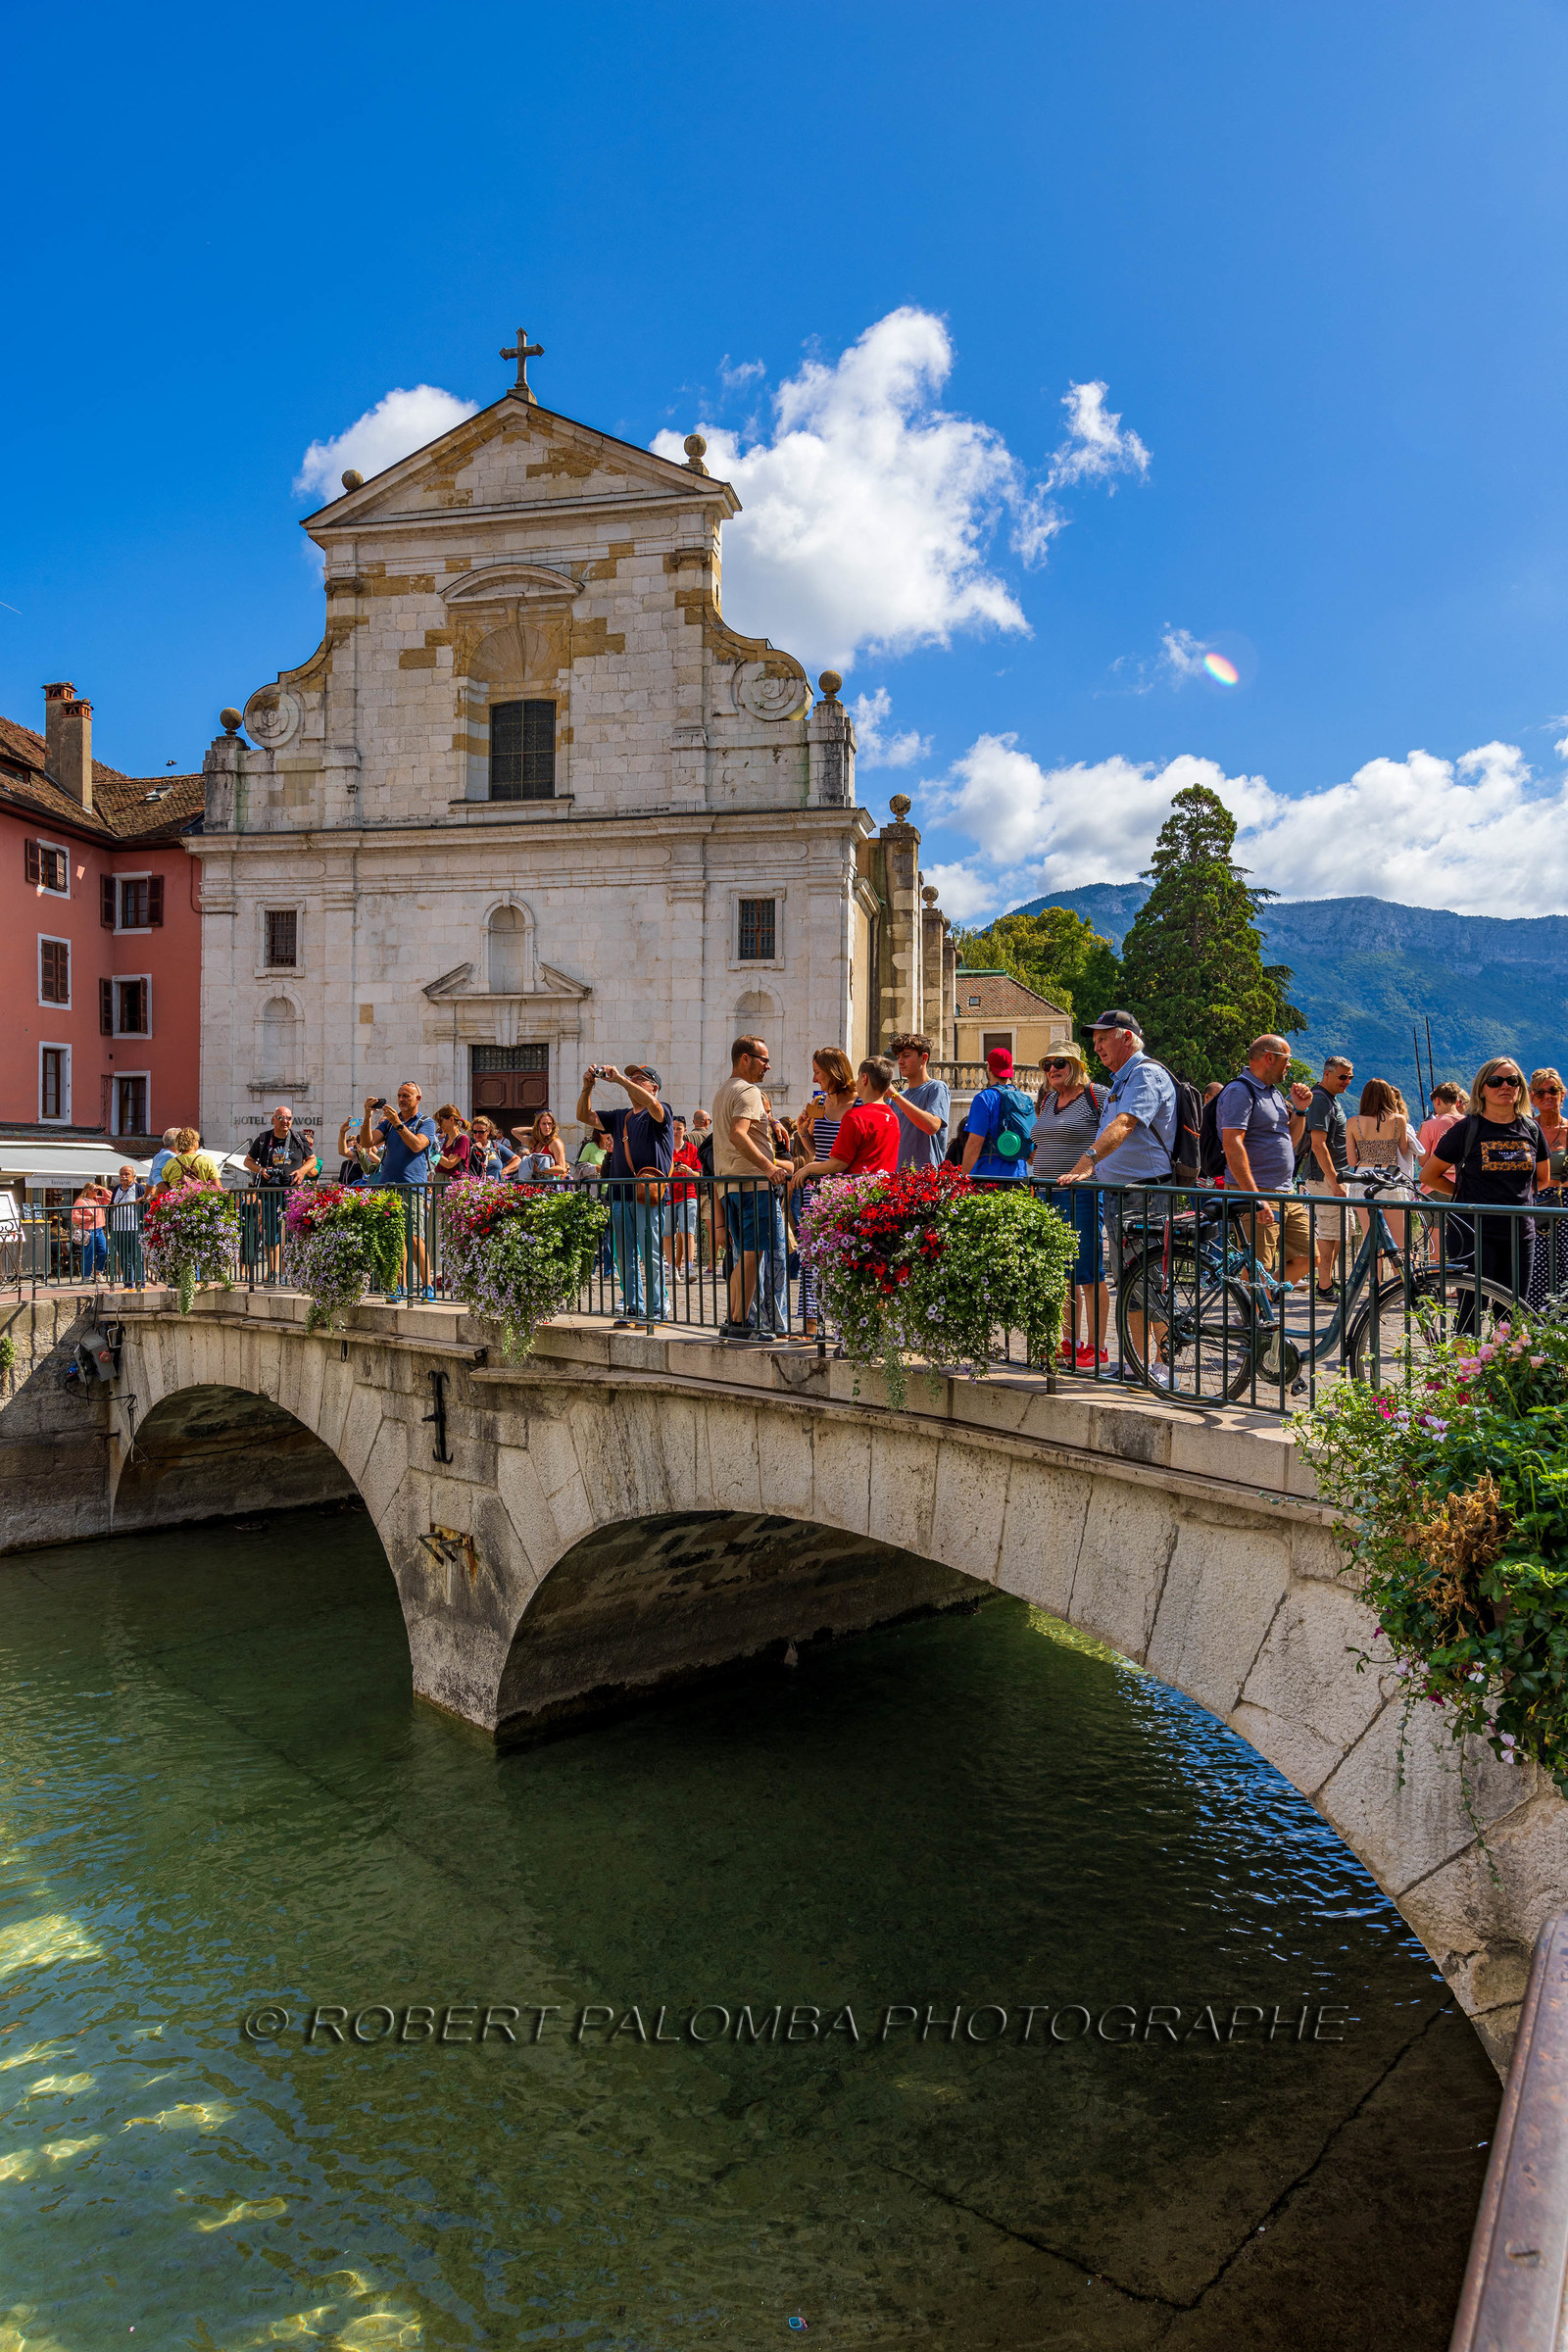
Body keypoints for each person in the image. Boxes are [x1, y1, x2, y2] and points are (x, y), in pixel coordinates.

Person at [1056, 1010, 1179, 1384]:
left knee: (1151, 1279)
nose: (1096, 1047)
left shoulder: (1145, 1074)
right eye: (1094, 1041)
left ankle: (1163, 1368)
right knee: (1130, 1283)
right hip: (1120, 1194)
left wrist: (1087, 1162)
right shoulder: (1119, 1080)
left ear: (1127, 1037)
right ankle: (1135, 1365)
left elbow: (1125, 1124)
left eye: (1103, 1038)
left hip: (1146, 1192)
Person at [1422, 1056, 1547, 1325]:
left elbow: (1543, 1178)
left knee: (1514, 1316)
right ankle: (1464, 1367)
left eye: (1512, 1081)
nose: (1505, 1086)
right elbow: (1429, 1174)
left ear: (1521, 1088)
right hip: (1473, 1233)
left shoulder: (1531, 1129)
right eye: (1495, 1081)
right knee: (1470, 1314)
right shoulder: (1467, 1128)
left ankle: (1507, 1367)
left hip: (1520, 1234)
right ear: (1482, 1088)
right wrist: (1464, 1193)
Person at [1031, 1045, 1110, 1369]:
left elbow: (1118, 1132)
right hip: (1047, 1194)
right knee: (1062, 1274)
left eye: (1059, 1063)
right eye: (1047, 1064)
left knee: (1089, 1271)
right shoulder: (1049, 1100)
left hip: (1083, 1193)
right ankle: (1069, 1341)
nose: (1052, 1069)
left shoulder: (1097, 1095)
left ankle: (1098, 1348)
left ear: (1076, 1065)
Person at [576, 1061, 673, 1327]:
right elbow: (584, 1116)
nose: (633, 1082)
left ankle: (656, 1308)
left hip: (647, 1194)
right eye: (631, 1078)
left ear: (654, 1087)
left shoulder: (662, 1110)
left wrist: (619, 1079)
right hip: (620, 1195)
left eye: (639, 1079)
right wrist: (587, 1088)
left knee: (651, 1252)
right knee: (624, 1255)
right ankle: (633, 1306)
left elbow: (653, 1107)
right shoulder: (621, 1116)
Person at [1214, 1038, 1314, 1290]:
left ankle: (1260, 1309)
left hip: (1284, 1191)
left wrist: (1300, 1111)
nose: (1289, 1066)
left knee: (1308, 1257)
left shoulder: (1273, 1093)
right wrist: (1254, 1197)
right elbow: (1232, 1144)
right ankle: (1253, 1321)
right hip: (1256, 1190)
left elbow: (1288, 1141)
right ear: (1270, 1057)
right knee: (1259, 1266)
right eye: (1286, 1060)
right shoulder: (1240, 1091)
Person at [710, 1035, 789, 1340]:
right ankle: (740, 1323)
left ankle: (735, 1322)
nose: (768, 1066)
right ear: (745, 1058)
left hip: (731, 1186)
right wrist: (769, 1167)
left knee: (746, 1256)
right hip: (752, 1186)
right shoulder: (748, 1091)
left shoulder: (723, 1092)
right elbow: (737, 1134)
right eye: (763, 1060)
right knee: (752, 1256)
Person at [794, 1050, 858, 1337]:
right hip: (816, 1190)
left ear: (833, 1071)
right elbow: (818, 1152)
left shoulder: (859, 1104)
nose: (813, 1078)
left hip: (845, 1191)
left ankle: (846, 1327)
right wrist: (803, 1132)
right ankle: (810, 1327)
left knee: (844, 1259)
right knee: (810, 1260)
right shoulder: (819, 1102)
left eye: (817, 1072)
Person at [360, 1084, 438, 1300]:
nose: (401, 1099)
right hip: (388, 1187)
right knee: (395, 1239)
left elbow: (417, 1146)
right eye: (399, 1096)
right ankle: (399, 1286)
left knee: (414, 1237)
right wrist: (367, 1116)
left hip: (412, 1187)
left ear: (418, 1098)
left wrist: (398, 1124)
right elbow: (366, 1142)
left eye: (406, 1095)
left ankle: (427, 1286)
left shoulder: (426, 1123)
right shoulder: (387, 1125)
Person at [792, 1056, 901, 1192]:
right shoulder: (892, 1117)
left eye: (858, 1077)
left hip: (856, 1196)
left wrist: (808, 1168)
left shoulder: (855, 1116)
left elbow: (839, 1163)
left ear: (864, 1078)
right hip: (883, 1195)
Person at [1345, 1079, 1420, 1258]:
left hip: (1364, 1179)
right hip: (1390, 1179)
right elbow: (1402, 1150)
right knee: (1399, 1243)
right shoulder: (1399, 1120)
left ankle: (1374, 1285)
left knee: (1371, 1243)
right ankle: (1403, 1284)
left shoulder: (1353, 1122)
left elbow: (1352, 1160)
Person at [1301, 1055, 1354, 1296]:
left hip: (1335, 1178)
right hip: (1326, 1179)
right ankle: (1324, 1286)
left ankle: (1327, 1283)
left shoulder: (1330, 1099)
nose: (1347, 1082)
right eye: (1343, 1077)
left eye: (1350, 1077)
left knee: (1338, 1234)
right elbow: (1318, 1145)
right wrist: (1334, 1182)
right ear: (1327, 1074)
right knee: (1330, 1233)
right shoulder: (1321, 1101)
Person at [245, 1104, 313, 1278]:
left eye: (288, 1118)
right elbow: (248, 1161)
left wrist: (302, 1171)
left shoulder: (298, 1138)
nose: (285, 1121)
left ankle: (290, 1271)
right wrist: (261, 1170)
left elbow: (312, 1160)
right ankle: (273, 1271)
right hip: (270, 1192)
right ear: (273, 1119)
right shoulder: (263, 1139)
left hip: (293, 1194)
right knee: (271, 1234)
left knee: (294, 1233)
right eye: (281, 1118)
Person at [960, 1048, 1037, 1180]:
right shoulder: (1025, 1100)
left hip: (989, 1177)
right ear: (1011, 1069)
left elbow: (974, 1144)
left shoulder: (984, 1098)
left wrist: (962, 1178)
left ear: (989, 1068)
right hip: (1019, 1175)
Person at [1528, 1068, 1568, 1309]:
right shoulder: (1525, 1129)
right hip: (1532, 1205)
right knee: (1535, 1270)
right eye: (1540, 1092)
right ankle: (1535, 1329)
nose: (1547, 1096)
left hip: (1565, 1205)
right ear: (1532, 1098)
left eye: (1553, 1090)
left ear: (1563, 1094)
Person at [886, 1034, 951, 1171]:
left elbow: (931, 1126)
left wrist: (895, 1096)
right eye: (898, 1057)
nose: (900, 1062)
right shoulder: (895, 1099)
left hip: (926, 1180)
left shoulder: (936, 1088)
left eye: (906, 1055)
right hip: (898, 1178)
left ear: (924, 1058)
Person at [667, 1116, 703, 1276]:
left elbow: (698, 1174)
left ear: (685, 1130)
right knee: (667, 1233)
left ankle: (689, 1267)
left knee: (688, 1231)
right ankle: (671, 1268)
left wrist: (688, 1170)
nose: (675, 1132)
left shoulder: (691, 1149)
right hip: (668, 1195)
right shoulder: (665, 1148)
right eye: (673, 1128)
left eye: (679, 1128)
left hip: (688, 1194)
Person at [107, 1163, 144, 1287]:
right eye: (121, 1174)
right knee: (123, 1257)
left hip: (134, 1227)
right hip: (118, 1228)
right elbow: (112, 1204)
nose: (123, 1177)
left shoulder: (139, 1189)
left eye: (127, 1174)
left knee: (135, 1256)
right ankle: (128, 1284)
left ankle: (140, 1283)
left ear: (134, 1176)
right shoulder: (116, 1189)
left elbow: (146, 1205)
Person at [71, 1177, 112, 1282]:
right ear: (88, 1190)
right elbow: (75, 1217)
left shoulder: (98, 1200)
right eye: (95, 1190)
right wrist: (88, 1218)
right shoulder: (80, 1202)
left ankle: (98, 1272)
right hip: (87, 1230)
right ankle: (86, 1275)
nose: (96, 1192)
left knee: (104, 1251)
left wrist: (102, 1188)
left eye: (97, 1190)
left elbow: (110, 1198)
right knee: (89, 1254)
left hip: (99, 1229)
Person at [154, 1127, 221, 1189]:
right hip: (200, 1199)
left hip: (176, 1200)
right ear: (194, 1143)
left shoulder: (170, 1163)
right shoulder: (207, 1160)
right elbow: (217, 1185)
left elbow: (164, 1185)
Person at [516, 1107, 568, 1182]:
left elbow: (562, 1169)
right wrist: (533, 1129)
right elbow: (515, 1131)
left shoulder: (555, 1142)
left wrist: (541, 1169)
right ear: (538, 1125)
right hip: (534, 1184)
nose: (547, 1127)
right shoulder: (534, 1142)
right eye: (543, 1124)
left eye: (549, 1124)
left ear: (553, 1125)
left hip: (550, 1184)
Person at [1417, 1082, 1465, 1159]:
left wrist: (1419, 1140)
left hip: (1438, 1171)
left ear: (1438, 1101)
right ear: (1457, 1102)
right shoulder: (1471, 1123)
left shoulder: (1428, 1126)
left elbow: (1423, 1161)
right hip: (1464, 1171)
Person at [433, 1103, 472, 1183]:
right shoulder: (446, 1139)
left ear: (451, 1119)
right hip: (439, 1181)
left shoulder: (462, 1139)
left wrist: (433, 1151)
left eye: (441, 1121)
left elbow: (449, 1163)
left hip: (453, 1184)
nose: (439, 1125)